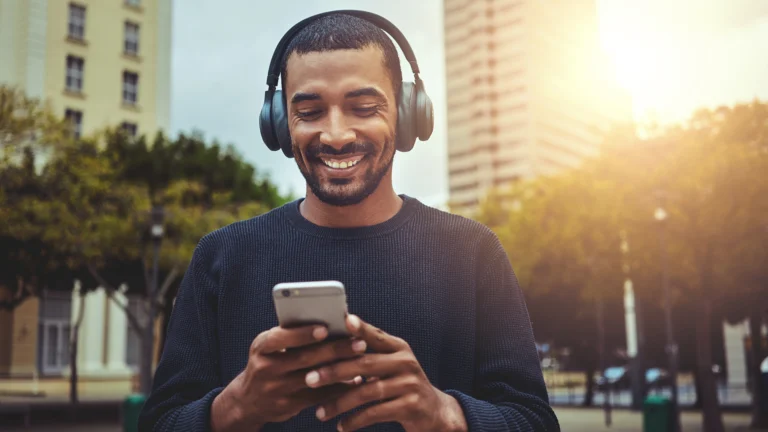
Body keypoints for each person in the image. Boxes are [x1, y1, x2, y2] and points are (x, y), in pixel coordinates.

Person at [139, 10, 559, 432]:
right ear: (281, 125)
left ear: (407, 113)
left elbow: (535, 422)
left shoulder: (473, 251)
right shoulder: (220, 257)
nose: (336, 135)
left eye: (363, 107)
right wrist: (234, 408)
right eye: (310, 111)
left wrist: (445, 413)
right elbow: (159, 423)